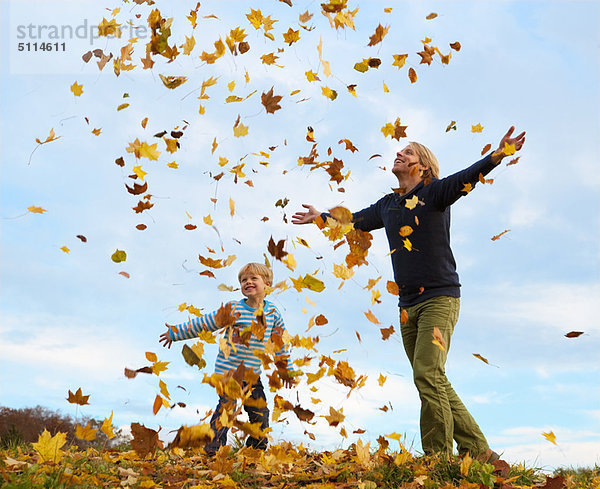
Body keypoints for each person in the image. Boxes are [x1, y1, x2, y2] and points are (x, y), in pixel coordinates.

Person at [292, 126, 526, 460]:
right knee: (432, 378)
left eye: (409, 152)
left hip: (440, 299)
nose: (399, 154)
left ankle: (438, 459)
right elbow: (355, 221)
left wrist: (499, 153)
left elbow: (469, 176)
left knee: (427, 374)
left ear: (424, 166)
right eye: (400, 151)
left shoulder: (435, 192)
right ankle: (478, 450)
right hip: (406, 307)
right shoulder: (388, 205)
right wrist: (321, 218)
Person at [159, 262, 296, 455]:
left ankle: (255, 451)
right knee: (226, 412)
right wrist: (176, 333)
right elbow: (205, 323)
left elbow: (280, 344)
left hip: (251, 377)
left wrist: (286, 371)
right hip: (228, 374)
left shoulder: (273, 313)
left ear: (267, 283)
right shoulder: (233, 309)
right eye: (243, 280)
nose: (247, 282)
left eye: (253, 278)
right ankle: (213, 452)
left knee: (261, 416)